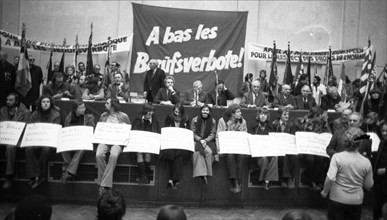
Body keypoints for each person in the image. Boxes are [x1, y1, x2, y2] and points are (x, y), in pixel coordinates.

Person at [321, 127, 373, 220]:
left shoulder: (337, 157)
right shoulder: (366, 162)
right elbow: (368, 185)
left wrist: (325, 192)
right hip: (356, 200)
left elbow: (330, 178)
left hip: (337, 198)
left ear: (344, 141)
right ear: (360, 143)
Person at [96, 98, 131, 195]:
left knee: (114, 155)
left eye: (107, 103)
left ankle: (103, 186)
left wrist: (124, 127)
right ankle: (105, 184)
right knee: (98, 154)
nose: (105, 105)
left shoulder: (124, 116)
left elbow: (129, 130)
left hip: (118, 142)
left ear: (113, 105)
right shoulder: (103, 116)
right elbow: (99, 129)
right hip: (105, 141)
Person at [25, 94, 61, 189]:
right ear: (40, 103)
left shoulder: (56, 114)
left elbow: (56, 130)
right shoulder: (35, 114)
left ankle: (40, 175)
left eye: (48, 102)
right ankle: (34, 175)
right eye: (43, 102)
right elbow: (29, 126)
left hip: (49, 141)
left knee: (46, 150)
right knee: (28, 149)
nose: (45, 103)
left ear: (51, 103)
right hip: (36, 140)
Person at [295, 107, 331, 190]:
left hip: (318, 148)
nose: (325, 116)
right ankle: (310, 180)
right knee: (310, 159)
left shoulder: (322, 123)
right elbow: (299, 134)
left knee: (320, 158)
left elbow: (328, 135)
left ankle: (317, 180)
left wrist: (326, 124)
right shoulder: (303, 121)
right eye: (323, 115)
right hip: (306, 148)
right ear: (316, 115)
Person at [0, 93, 31, 189]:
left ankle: (9, 176)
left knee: (10, 147)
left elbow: (26, 127)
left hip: (19, 138)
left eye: (10, 100)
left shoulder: (25, 112)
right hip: (4, 136)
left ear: (16, 101)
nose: (7, 102)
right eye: (7, 100)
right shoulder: (2, 110)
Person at [61, 100, 95, 183]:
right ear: (75, 109)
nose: (83, 109)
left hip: (83, 141)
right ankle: (69, 171)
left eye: (84, 107)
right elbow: (66, 129)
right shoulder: (69, 116)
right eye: (81, 108)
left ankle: (68, 171)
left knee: (81, 149)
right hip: (72, 140)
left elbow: (91, 131)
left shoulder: (89, 117)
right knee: (62, 147)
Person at [216, 104, 247, 193]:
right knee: (230, 156)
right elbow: (218, 136)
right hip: (227, 146)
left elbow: (245, 135)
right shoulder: (222, 121)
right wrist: (219, 149)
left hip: (238, 146)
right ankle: (233, 180)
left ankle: (239, 178)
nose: (240, 113)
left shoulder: (243, 121)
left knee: (241, 156)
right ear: (232, 113)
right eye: (238, 112)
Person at [161, 104, 191, 189]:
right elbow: (165, 129)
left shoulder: (186, 119)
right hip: (170, 142)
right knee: (168, 153)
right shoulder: (169, 118)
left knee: (179, 155)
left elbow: (188, 131)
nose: (177, 114)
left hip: (181, 144)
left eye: (179, 112)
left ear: (182, 112)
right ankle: (171, 179)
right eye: (175, 111)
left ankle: (175, 179)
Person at [248, 106, 278, 190]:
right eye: (261, 114)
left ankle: (267, 179)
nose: (263, 116)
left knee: (275, 157)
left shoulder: (271, 127)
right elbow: (250, 140)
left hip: (268, 150)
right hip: (257, 152)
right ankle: (267, 181)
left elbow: (273, 141)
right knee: (264, 159)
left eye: (265, 114)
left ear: (267, 116)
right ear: (258, 115)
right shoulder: (253, 126)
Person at [131, 103, 161, 185]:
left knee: (148, 154)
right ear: (144, 112)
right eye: (148, 113)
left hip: (150, 144)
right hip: (139, 143)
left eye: (151, 113)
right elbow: (133, 131)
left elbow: (158, 133)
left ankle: (142, 176)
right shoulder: (137, 119)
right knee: (139, 153)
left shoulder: (155, 121)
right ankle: (144, 176)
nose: (149, 115)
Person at [191, 104, 217, 184]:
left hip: (208, 141)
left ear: (209, 112)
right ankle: (202, 175)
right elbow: (193, 133)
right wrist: (200, 140)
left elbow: (213, 134)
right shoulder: (194, 120)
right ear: (201, 111)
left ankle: (206, 174)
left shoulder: (213, 121)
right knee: (197, 153)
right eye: (203, 110)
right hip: (197, 140)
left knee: (209, 152)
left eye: (207, 110)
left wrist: (205, 140)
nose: (205, 112)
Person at [272, 107, 297, 188]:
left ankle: (291, 178)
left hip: (288, 147)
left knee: (294, 157)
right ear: (280, 115)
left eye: (288, 114)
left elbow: (293, 137)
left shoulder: (291, 125)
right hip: (278, 148)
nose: (287, 116)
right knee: (284, 157)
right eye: (285, 114)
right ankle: (284, 179)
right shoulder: (274, 124)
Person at [373, 122, 387, 220]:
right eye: (383, 130)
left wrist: (386, 170)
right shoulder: (382, 142)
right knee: (377, 207)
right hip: (379, 182)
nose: (384, 133)